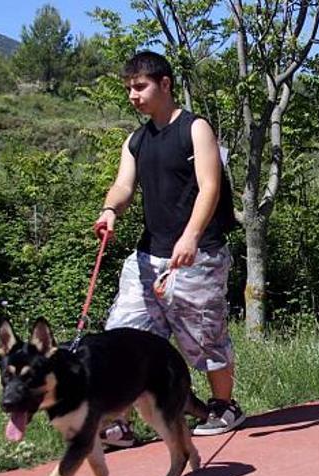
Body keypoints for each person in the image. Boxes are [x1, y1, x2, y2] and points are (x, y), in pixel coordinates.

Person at [93, 51, 245, 445]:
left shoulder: (195, 129)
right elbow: (124, 186)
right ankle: (117, 421)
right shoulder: (136, 140)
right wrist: (111, 210)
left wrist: (192, 235)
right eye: (128, 88)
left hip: (199, 254)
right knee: (123, 335)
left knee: (204, 336)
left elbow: (209, 186)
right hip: (148, 256)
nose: (133, 95)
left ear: (165, 84)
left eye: (140, 86)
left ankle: (223, 406)